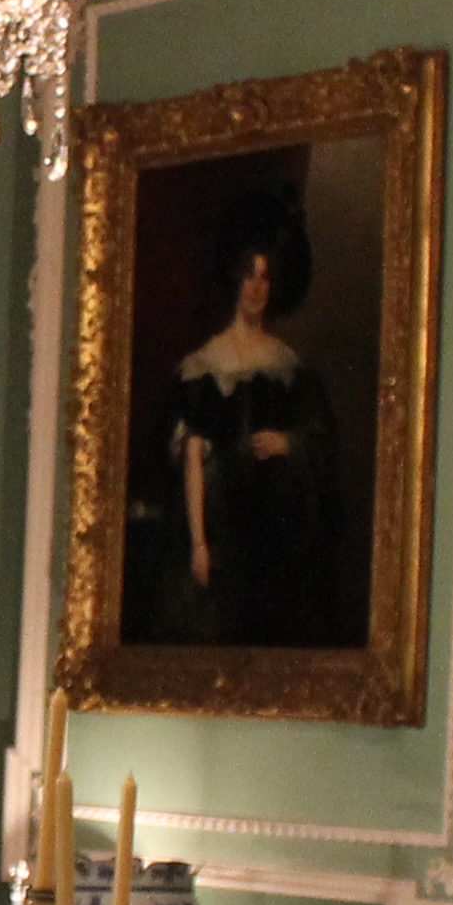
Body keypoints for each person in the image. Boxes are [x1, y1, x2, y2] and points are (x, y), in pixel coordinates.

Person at [135, 223, 348, 649]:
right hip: (219, 528)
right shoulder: (202, 368)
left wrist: (287, 444)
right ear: (235, 282)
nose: (257, 287)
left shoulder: (288, 368)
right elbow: (189, 455)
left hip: (273, 533)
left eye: (265, 277)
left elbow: (322, 442)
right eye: (249, 276)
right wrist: (200, 543)